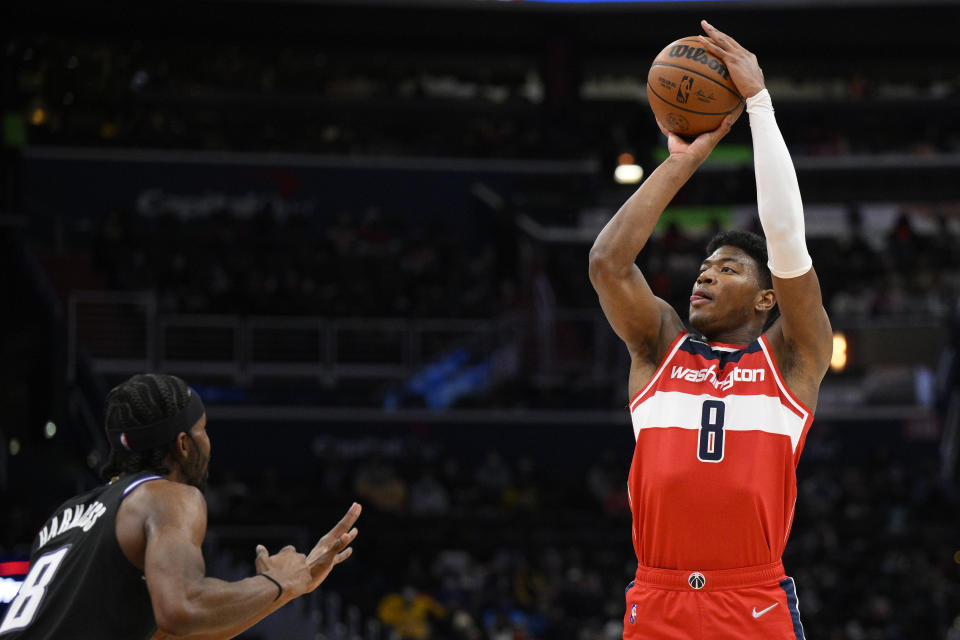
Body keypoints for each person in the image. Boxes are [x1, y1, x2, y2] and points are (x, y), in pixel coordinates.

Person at [588, 21, 832, 640]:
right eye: (703, 267)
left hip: (751, 599)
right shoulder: (659, 346)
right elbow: (607, 264)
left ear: (766, 298)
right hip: (658, 596)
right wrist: (680, 165)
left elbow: (786, 241)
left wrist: (760, 106)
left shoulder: (793, 359)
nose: (704, 276)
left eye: (727, 269)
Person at [0, 373, 362, 639]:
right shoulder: (169, 497)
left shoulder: (63, 519)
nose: (209, 440)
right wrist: (278, 579)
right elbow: (183, 609)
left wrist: (287, 588)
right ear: (184, 444)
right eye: (203, 428)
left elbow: (177, 632)